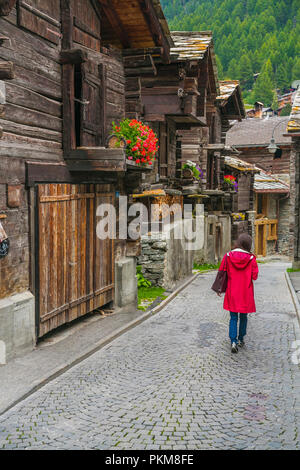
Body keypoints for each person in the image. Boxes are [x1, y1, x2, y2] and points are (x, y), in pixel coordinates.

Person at [217, 233, 259, 353]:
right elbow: (254, 276)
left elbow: (222, 272)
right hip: (246, 292)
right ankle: (241, 339)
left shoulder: (228, 256)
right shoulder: (251, 259)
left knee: (233, 317)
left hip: (232, 292)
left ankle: (233, 341)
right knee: (244, 317)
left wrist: (219, 288)